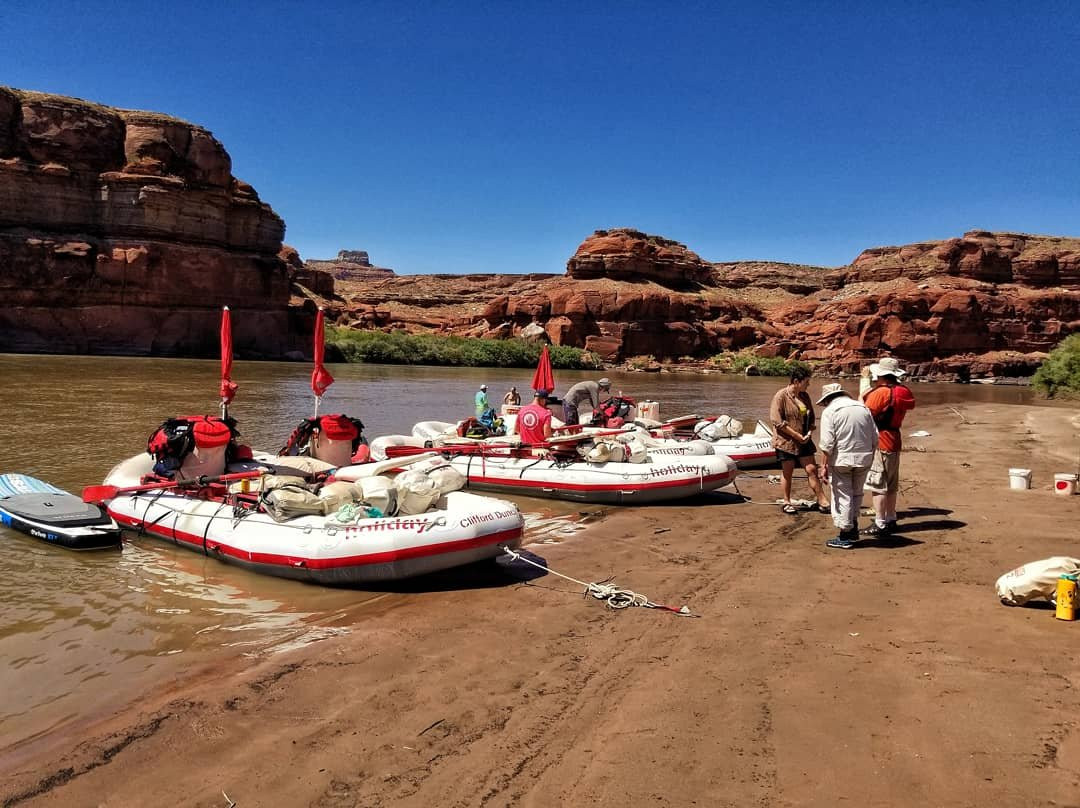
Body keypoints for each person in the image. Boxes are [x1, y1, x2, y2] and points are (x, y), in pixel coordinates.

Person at [816, 383, 878, 549]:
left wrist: (823, 466)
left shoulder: (830, 411)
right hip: (864, 458)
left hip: (841, 460)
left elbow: (827, 443)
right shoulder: (863, 408)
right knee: (857, 493)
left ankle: (845, 535)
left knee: (843, 495)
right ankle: (853, 526)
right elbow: (875, 437)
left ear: (827, 399)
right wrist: (869, 455)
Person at [861, 357, 917, 535]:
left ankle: (880, 523)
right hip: (895, 439)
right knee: (891, 484)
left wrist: (865, 384)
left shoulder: (881, 393)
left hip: (881, 441)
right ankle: (891, 518)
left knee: (878, 485)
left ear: (881, 375)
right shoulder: (904, 391)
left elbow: (863, 413)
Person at [769, 366, 830, 514]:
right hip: (785, 441)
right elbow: (777, 421)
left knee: (812, 469)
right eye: (806, 382)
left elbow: (811, 417)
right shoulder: (780, 396)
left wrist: (809, 432)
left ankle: (822, 500)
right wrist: (797, 436)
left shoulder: (805, 396)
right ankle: (787, 501)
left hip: (804, 440)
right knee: (788, 471)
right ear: (796, 381)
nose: (808, 385)